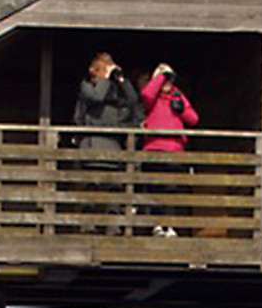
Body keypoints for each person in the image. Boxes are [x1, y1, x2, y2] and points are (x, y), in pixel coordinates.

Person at [72, 52, 142, 228]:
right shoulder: (86, 87)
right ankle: (88, 225)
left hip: (113, 145)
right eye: (104, 69)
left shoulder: (113, 89)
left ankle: (113, 225)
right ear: (94, 71)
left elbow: (133, 99)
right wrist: (103, 78)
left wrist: (121, 80)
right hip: (93, 144)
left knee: (114, 187)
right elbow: (97, 97)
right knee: (92, 185)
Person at [139, 63, 200, 236]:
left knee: (172, 188)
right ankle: (157, 225)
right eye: (164, 79)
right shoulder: (152, 98)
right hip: (154, 148)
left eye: (170, 79)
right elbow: (146, 93)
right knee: (155, 187)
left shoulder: (178, 96)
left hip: (174, 149)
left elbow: (193, 119)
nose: (167, 83)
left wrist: (181, 109)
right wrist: (160, 76)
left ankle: (170, 226)